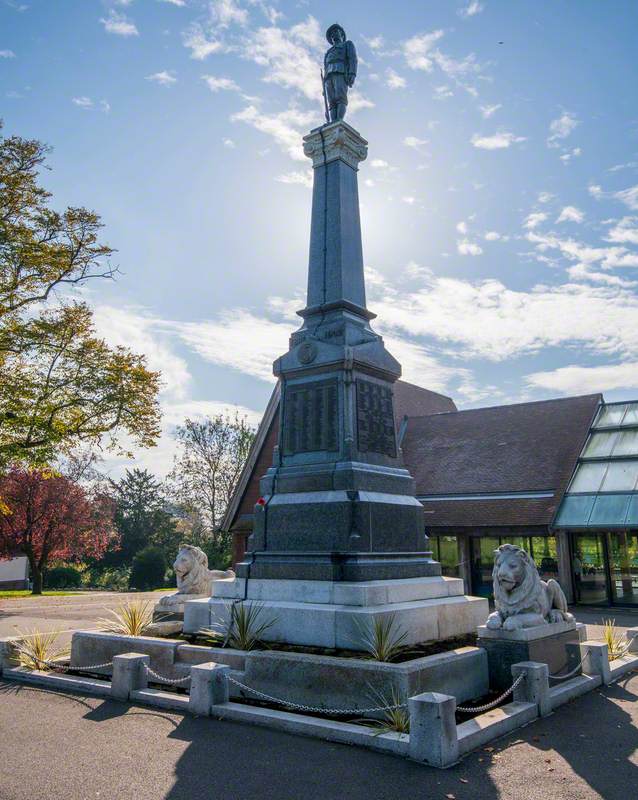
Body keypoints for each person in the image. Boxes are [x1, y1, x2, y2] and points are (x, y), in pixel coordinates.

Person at [323, 24, 357, 122]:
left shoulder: (347, 44)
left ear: (341, 33)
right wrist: (324, 83)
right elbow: (326, 66)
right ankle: (333, 122)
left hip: (341, 71)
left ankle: (339, 120)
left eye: (335, 32)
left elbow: (352, 59)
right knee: (332, 101)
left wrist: (352, 73)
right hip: (328, 76)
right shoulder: (328, 52)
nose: (333, 35)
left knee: (340, 97)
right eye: (331, 35)